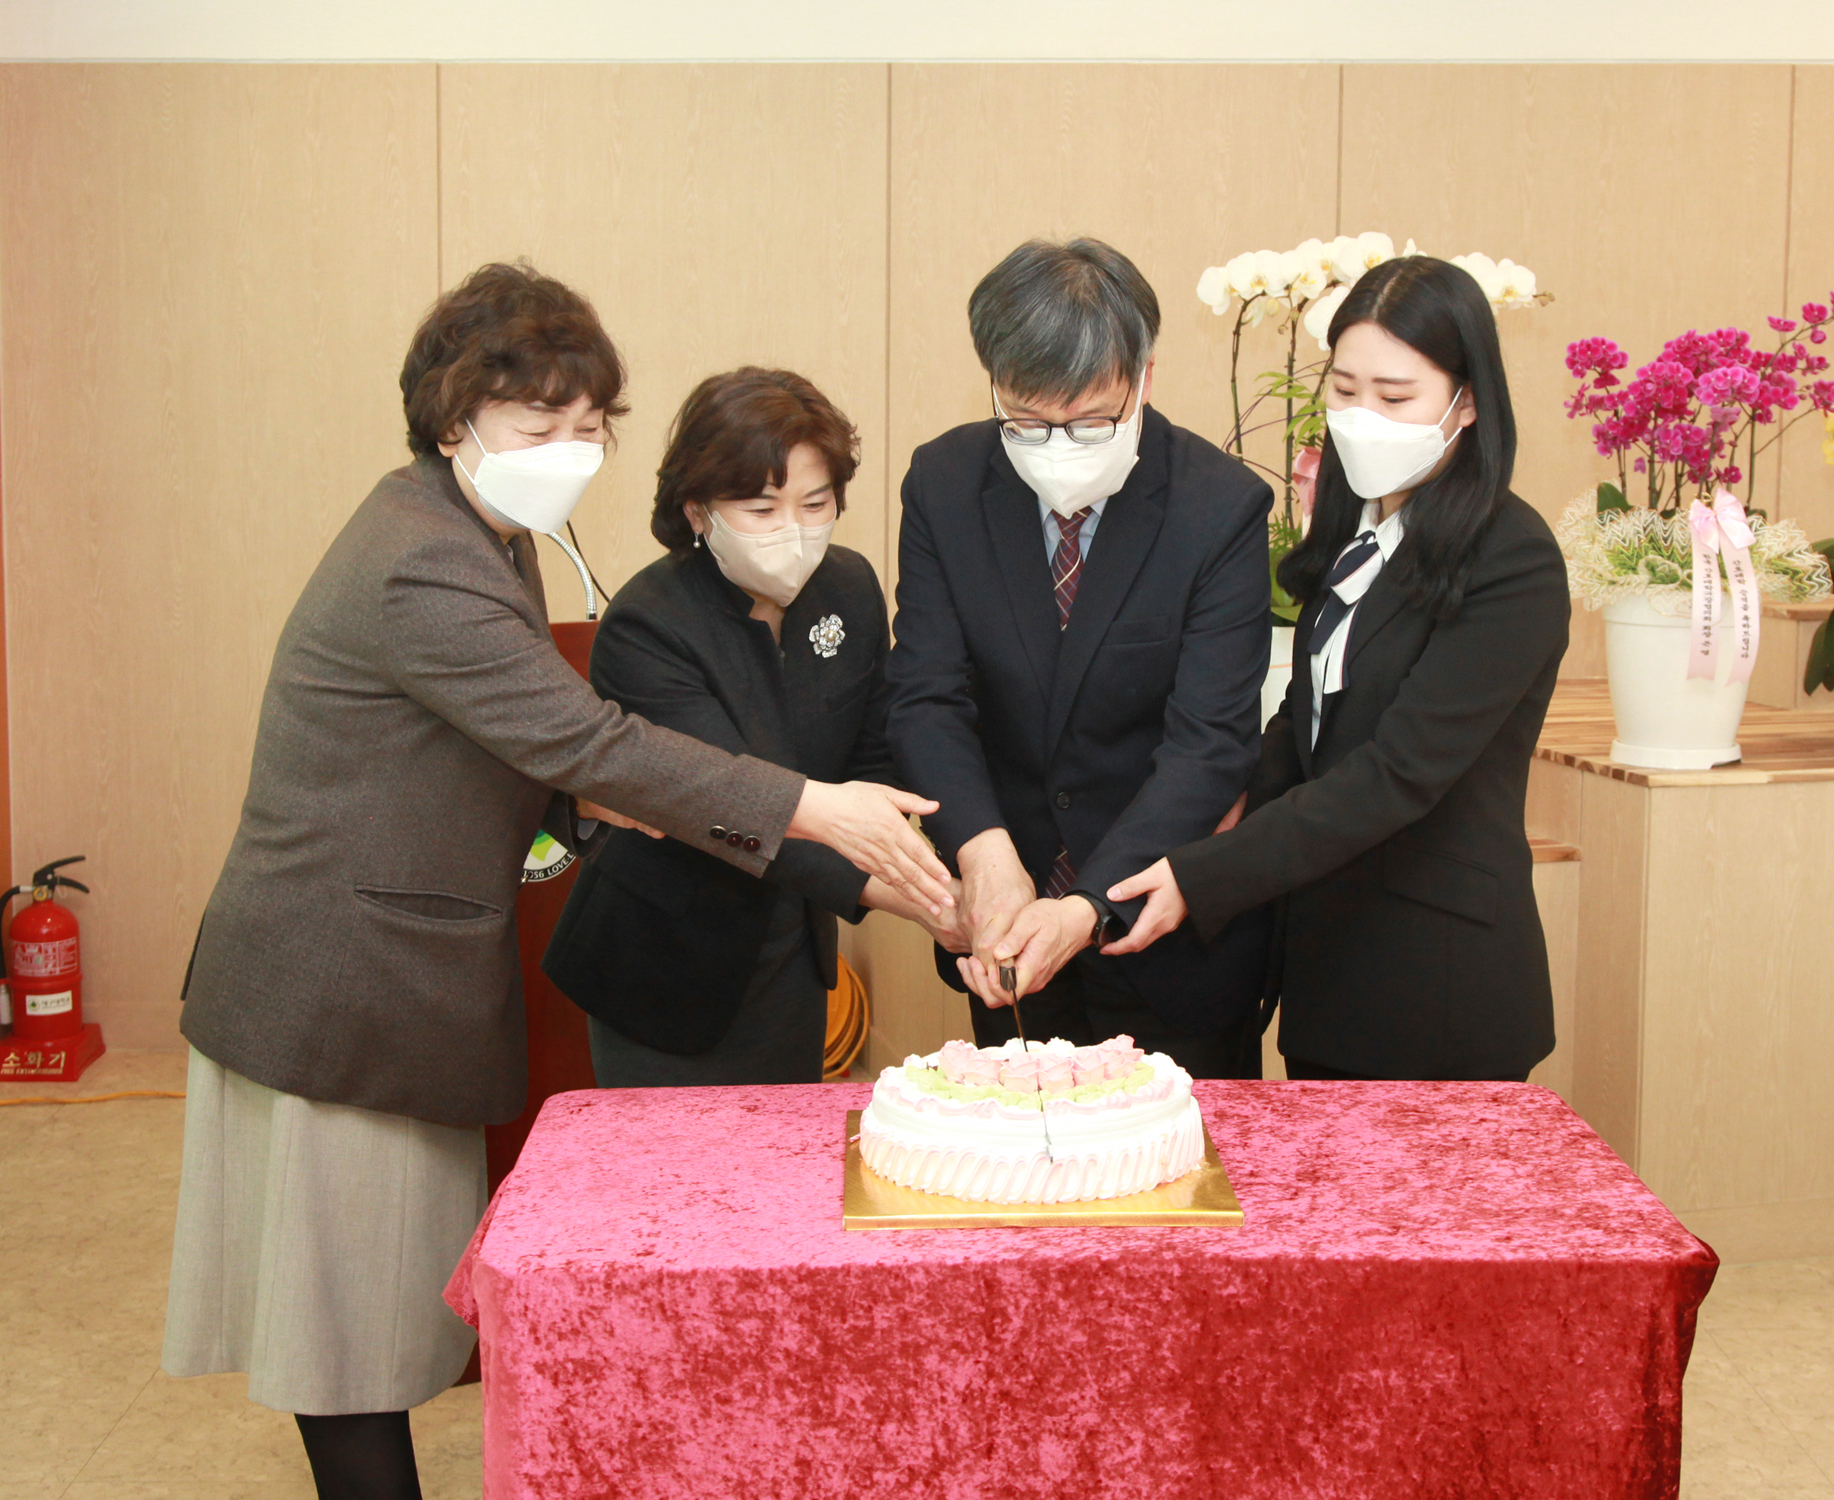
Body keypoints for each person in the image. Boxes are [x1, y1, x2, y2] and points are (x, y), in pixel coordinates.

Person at [161, 265, 951, 1500]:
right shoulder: (423, 561)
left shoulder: (483, 533)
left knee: (386, 1320)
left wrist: (599, 808)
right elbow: (586, 741)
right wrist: (812, 807)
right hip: (338, 987)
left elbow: (532, 758)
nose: (569, 456)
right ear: (451, 421)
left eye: (588, 429)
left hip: (398, 978)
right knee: (348, 1342)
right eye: (538, 429)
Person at [1103, 255, 1570, 1083]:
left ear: (1467, 402)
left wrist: (1202, 875)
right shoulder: (1359, 525)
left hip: (1439, 986)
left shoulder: (1512, 556)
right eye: (1345, 390)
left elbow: (1395, 775)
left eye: (1395, 397)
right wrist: (1214, 802)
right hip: (1333, 971)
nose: (1363, 419)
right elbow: (1306, 721)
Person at [887, 237, 1273, 1079]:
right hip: (1006, 930)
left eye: (1093, 421)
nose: (1059, 446)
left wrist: (1090, 904)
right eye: (1028, 422)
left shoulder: (1219, 506)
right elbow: (925, 695)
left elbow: (1210, 743)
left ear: (1145, 377)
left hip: (1164, 941)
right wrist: (984, 852)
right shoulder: (945, 484)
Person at [542, 368, 965, 1085]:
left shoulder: (849, 588)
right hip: (663, 968)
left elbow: (872, 769)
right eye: (762, 509)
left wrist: (939, 870)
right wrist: (931, 903)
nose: (793, 531)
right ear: (698, 511)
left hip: (791, 958)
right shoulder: (648, 625)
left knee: (784, 1147)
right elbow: (737, 811)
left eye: (815, 503)